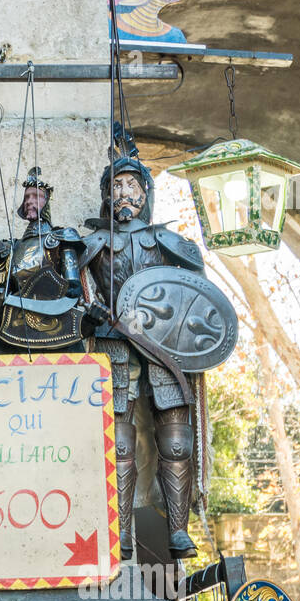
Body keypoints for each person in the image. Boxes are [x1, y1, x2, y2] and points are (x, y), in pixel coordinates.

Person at [79, 143, 210, 560]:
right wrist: (92, 306)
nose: (124, 195)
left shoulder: (168, 242)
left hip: (162, 346)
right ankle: (123, 533)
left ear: (146, 195)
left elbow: (198, 297)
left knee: (175, 440)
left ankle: (177, 531)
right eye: (115, 186)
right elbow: (80, 290)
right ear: (105, 195)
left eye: (132, 186)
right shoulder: (94, 243)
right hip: (114, 342)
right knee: (118, 443)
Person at [0, 166, 87, 354]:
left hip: (58, 322)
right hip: (17, 326)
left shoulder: (60, 238)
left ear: (47, 201)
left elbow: (73, 288)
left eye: (36, 196)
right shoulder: (12, 247)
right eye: (27, 197)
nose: (30, 201)